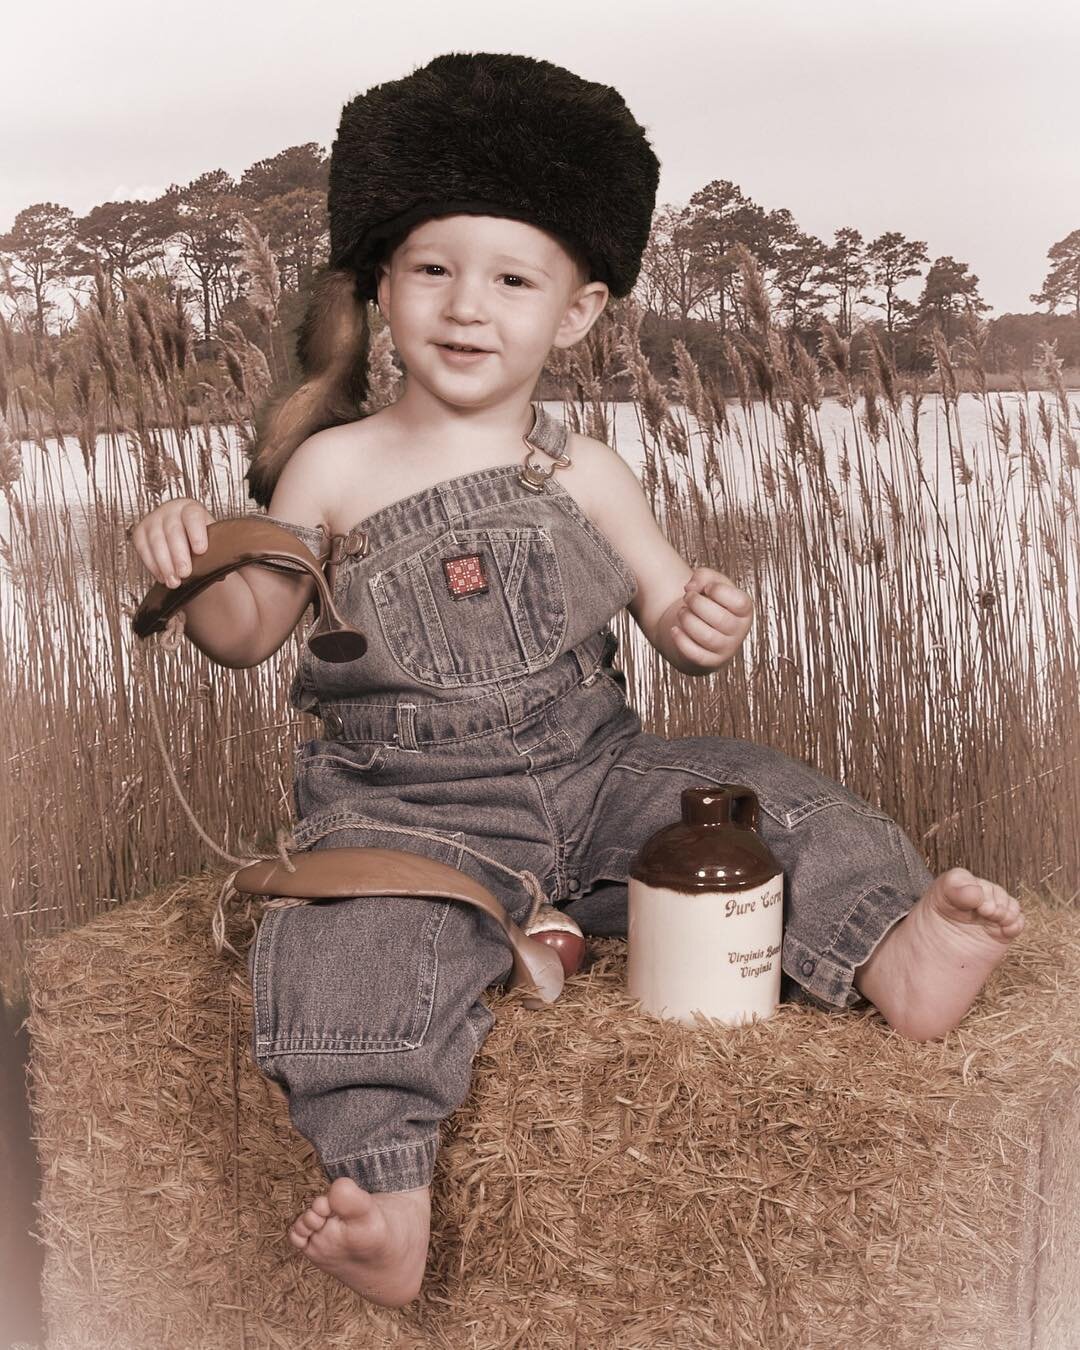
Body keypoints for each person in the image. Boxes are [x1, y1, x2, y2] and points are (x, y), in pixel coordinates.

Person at [129, 52, 1024, 1310]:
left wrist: (698, 613)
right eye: (432, 269)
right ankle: (389, 1195)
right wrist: (192, 556)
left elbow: (668, 606)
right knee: (355, 954)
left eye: (511, 278)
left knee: (763, 801)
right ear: (382, 286)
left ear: (580, 311)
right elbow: (247, 634)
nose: (464, 306)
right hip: (405, 814)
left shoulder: (582, 469)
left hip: (595, 777)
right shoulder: (328, 466)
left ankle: (893, 952)